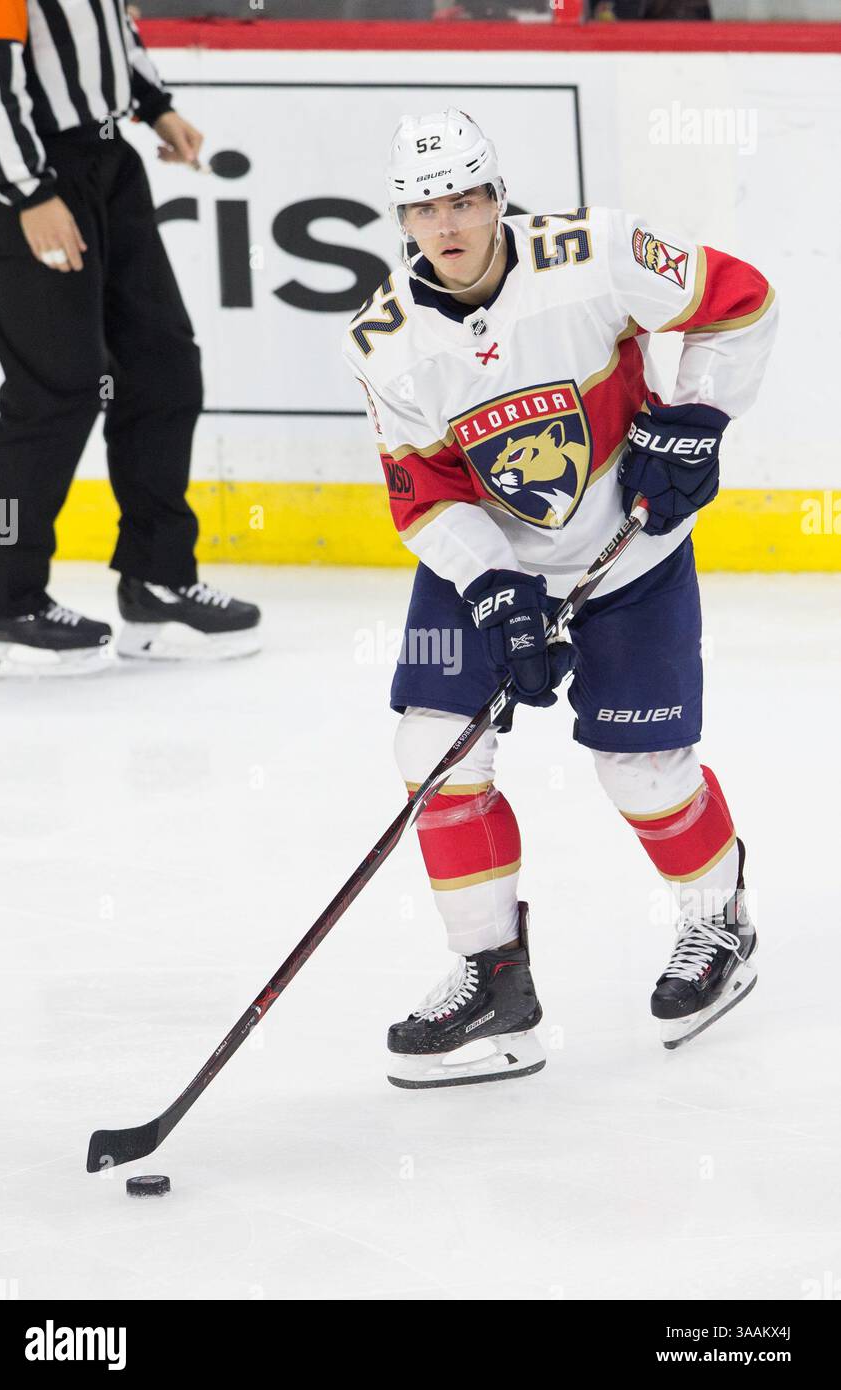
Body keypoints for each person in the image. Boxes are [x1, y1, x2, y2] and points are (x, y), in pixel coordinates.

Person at [343, 108, 777, 1088]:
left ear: (496, 197)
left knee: (642, 770)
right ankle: (490, 980)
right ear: (402, 219)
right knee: (431, 751)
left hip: (629, 547)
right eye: (423, 208)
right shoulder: (382, 341)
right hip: (488, 561)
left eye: (463, 199)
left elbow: (740, 300)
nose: (446, 224)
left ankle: (717, 922)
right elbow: (420, 493)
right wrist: (494, 586)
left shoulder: (593, 252)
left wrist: (696, 416)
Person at [0, 1, 260, 675]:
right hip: (34, 176)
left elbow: (114, 29)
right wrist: (28, 192)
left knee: (163, 368)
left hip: (108, 164)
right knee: (54, 391)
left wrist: (154, 103)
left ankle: (156, 579)